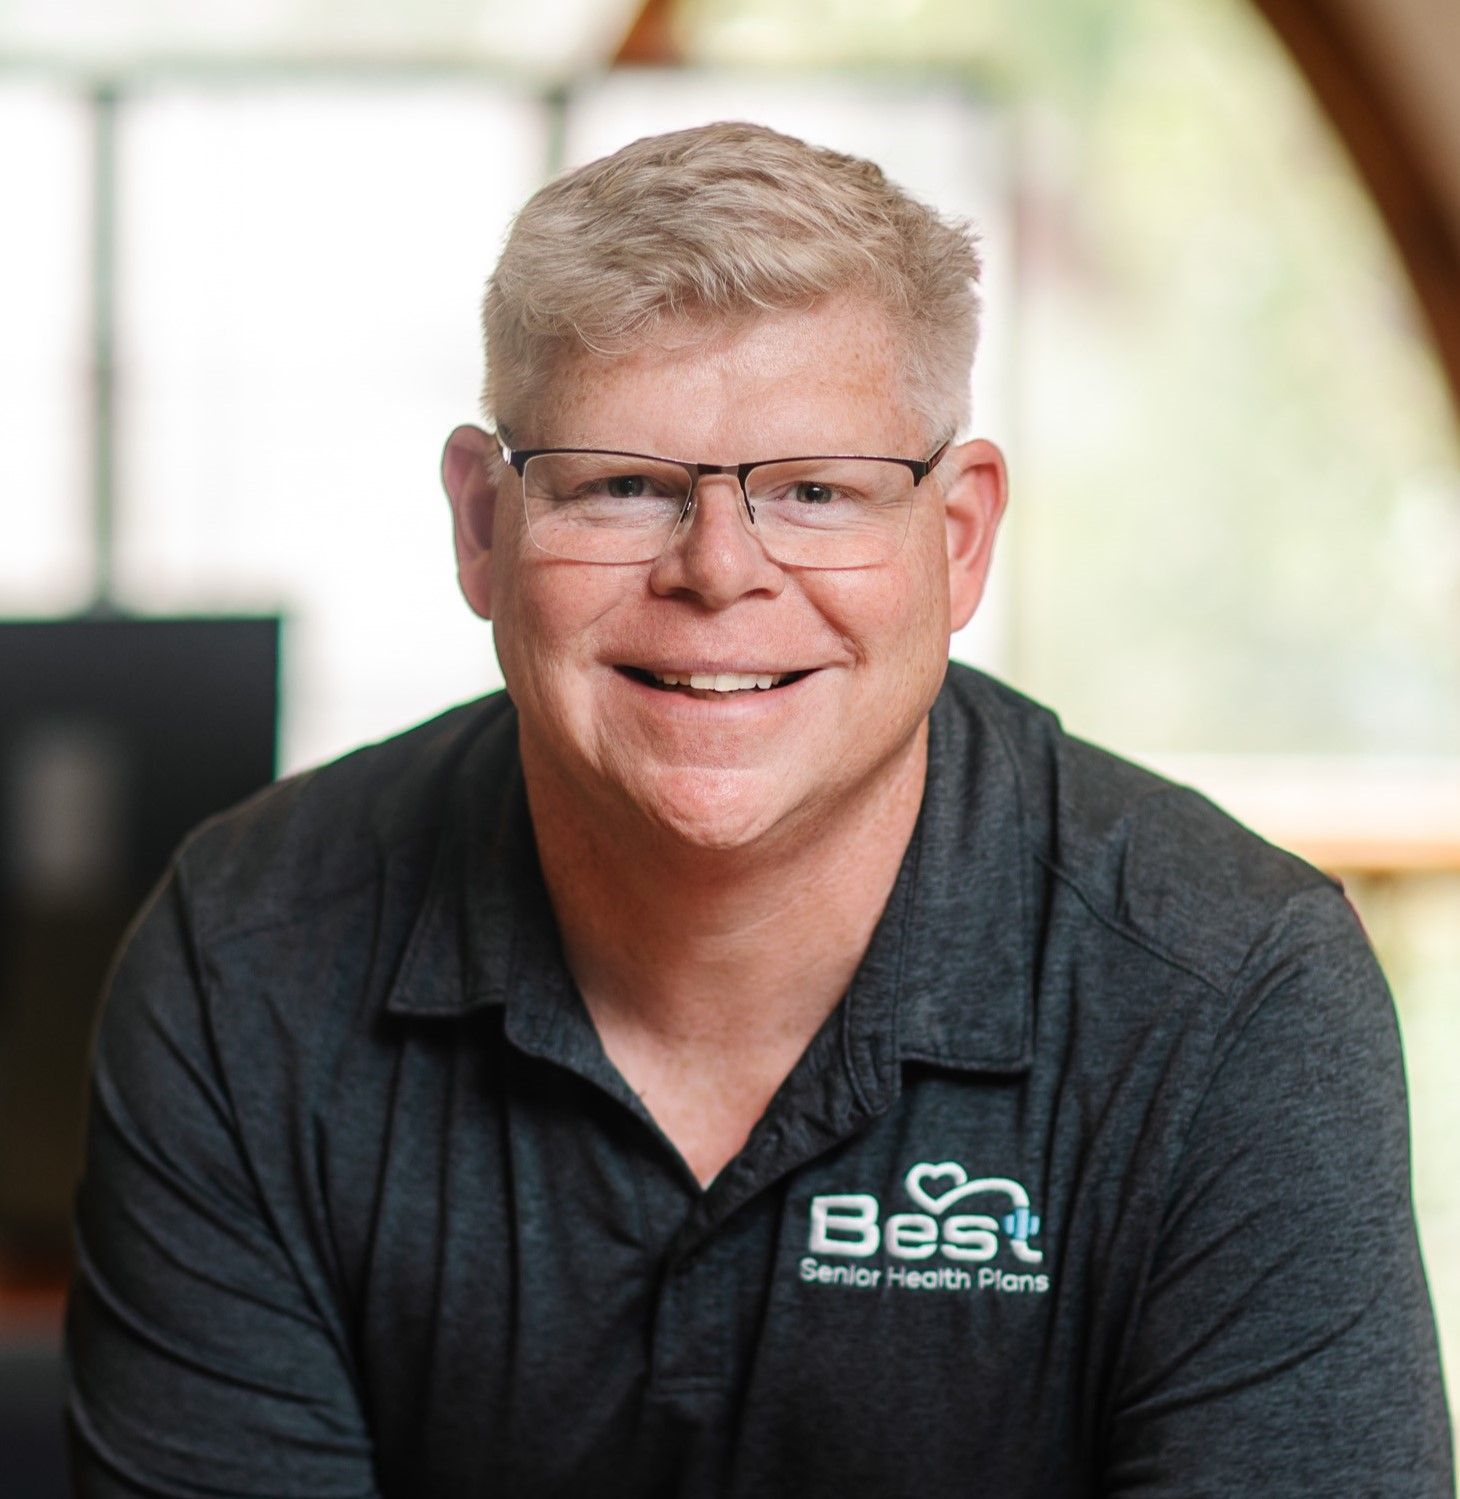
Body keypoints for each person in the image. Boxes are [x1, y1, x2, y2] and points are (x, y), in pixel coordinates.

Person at [64, 121, 1451, 1497]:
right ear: (482, 527)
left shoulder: (1232, 997)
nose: (720, 574)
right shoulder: (246, 952)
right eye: (622, 486)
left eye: (815, 491)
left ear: (957, 539)